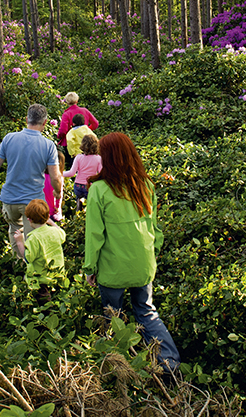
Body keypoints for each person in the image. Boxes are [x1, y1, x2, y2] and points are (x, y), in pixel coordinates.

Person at [82, 132, 180, 373]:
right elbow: (155, 229)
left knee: (114, 316)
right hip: (143, 265)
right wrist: (151, 255)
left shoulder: (99, 190)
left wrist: (90, 269)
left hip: (112, 269)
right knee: (146, 311)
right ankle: (168, 364)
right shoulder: (145, 185)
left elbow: (94, 235)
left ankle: (119, 368)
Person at [0, 104, 62, 257]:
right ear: (45, 122)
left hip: (10, 199)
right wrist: (57, 191)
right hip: (33, 202)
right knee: (34, 237)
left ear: (26, 119)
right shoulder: (48, 145)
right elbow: (55, 176)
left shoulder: (9, 138)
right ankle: (31, 271)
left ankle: (18, 263)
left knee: (15, 230)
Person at [14, 199, 69, 303]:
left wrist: (19, 242)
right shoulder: (55, 232)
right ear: (47, 217)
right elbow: (62, 233)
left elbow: (28, 258)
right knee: (58, 302)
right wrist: (52, 223)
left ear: (29, 219)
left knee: (44, 306)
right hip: (57, 276)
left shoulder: (34, 238)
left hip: (40, 280)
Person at [63, 132, 102, 212]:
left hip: (78, 185)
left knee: (79, 202)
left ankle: (78, 211)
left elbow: (71, 173)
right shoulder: (98, 159)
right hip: (90, 186)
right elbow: (101, 174)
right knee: (90, 205)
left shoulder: (78, 157)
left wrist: (59, 173)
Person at [57, 92, 98, 160]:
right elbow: (95, 124)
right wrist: (86, 130)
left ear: (67, 102)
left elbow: (63, 130)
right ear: (77, 101)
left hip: (71, 144)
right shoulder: (85, 110)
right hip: (86, 142)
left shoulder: (66, 114)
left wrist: (58, 136)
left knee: (72, 165)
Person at [43, 148, 66, 222]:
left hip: (42, 209)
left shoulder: (41, 176)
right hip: (53, 211)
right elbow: (59, 195)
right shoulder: (59, 178)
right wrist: (58, 208)